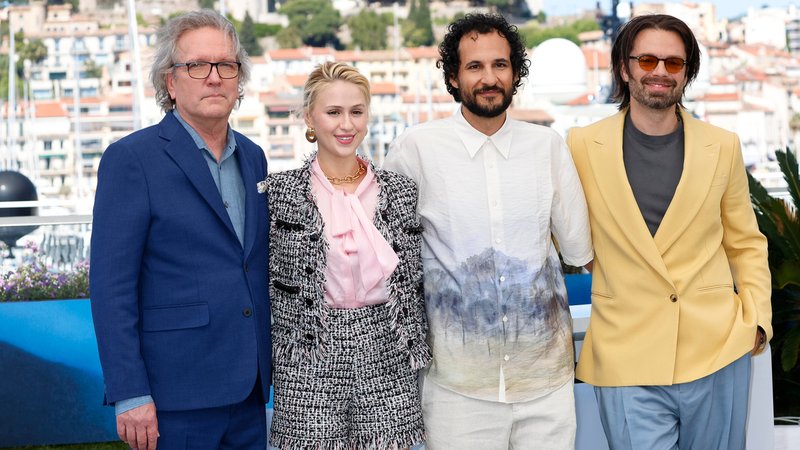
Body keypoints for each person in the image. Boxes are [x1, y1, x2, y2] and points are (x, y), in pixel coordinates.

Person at [384, 13, 592, 449]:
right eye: (474, 67)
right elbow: (388, 261)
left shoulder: (548, 148)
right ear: (454, 78)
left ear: (515, 73)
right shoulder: (415, 149)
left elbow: (578, 250)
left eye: (500, 64)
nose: (489, 77)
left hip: (546, 383)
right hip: (456, 386)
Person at [567, 14, 772, 450]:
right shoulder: (580, 145)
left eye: (674, 63)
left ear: (687, 73)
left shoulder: (724, 145)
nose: (659, 71)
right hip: (626, 354)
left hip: (716, 351)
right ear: (624, 68)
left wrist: (756, 321)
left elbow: (746, 243)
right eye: (647, 59)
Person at [90, 10, 271, 450]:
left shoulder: (254, 157)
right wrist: (130, 392)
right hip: (174, 394)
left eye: (226, 66)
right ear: (170, 83)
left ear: (238, 80)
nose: (214, 78)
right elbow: (111, 287)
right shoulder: (132, 159)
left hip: (250, 391)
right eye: (196, 66)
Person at [266, 61, 429, 450]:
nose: (346, 124)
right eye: (333, 112)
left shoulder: (401, 192)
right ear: (310, 117)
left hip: (388, 347)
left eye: (356, 111)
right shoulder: (280, 194)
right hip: (308, 353)